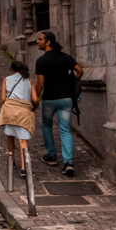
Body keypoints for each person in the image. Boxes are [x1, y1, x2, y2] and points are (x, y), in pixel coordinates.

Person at [35, 30, 83, 176]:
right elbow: (80, 71)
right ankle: (68, 162)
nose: (38, 41)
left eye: (40, 39)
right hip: (66, 99)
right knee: (65, 129)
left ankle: (51, 156)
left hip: (50, 99)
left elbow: (40, 83)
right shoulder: (66, 57)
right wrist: (72, 82)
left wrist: (36, 99)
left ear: (48, 42)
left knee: (46, 125)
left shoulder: (41, 61)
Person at [0, 60, 39, 178]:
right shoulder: (29, 81)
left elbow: (3, 99)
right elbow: (35, 100)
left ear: (12, 70)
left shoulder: (6, 80)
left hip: (10, 111)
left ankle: (12, 159)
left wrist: (3, 111)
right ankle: (24, 168)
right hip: (24, 113)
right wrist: (32, 108)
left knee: (10, 135)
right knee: (22, 140)